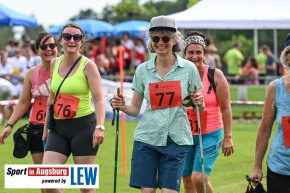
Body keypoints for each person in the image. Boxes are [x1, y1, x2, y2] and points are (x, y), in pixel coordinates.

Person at [111, 15, 204, 193]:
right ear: (151, 41)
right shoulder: (142, 70)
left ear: (174, 41)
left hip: (177, 138)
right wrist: (122, 105)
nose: (160, 42)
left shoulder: (188, 69)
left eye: (165, 38)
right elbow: (135, 109)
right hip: (147, 138)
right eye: (155, 38)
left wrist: (199, 103)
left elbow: (199, 105)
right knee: (148, 191)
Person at [42, 23, 106, 193]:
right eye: (67, 37)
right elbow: (52, 97)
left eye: (76, 37)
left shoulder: (88, 66)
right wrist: (46, 126)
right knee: (48, 182)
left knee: (85, 187)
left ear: (82, 41)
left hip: (83, 128)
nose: (72, 40)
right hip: (58, 128)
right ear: (60, 40)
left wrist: (100, 127)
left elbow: (99, 100)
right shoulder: (54, 63)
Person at [0, 32, 58, 193]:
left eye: (52, 46)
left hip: (57, 129)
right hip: (36, 128)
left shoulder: (64, 70)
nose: (48, 49)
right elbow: (24, 101)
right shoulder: (32, 73)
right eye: (44, 47)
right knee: (43, 180)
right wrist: (9, 125)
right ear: (37, 51)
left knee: (52, 178)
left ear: (57, 48)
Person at [182, 31, 234, 193]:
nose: (195, 56)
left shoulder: (215, 75)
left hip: (210, 133)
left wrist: (228, 137)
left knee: (199, 178)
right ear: (184, 55)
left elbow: (226, 108)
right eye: (190, 52)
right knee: (187, 179)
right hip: (184, 134)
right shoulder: (178, 76)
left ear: (205, 54)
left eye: (199, 52)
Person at [250, 37, 290, 193]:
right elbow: (264, 130)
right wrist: (257, 167)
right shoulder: (275, 88)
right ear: (287, 57)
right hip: (280, 167)